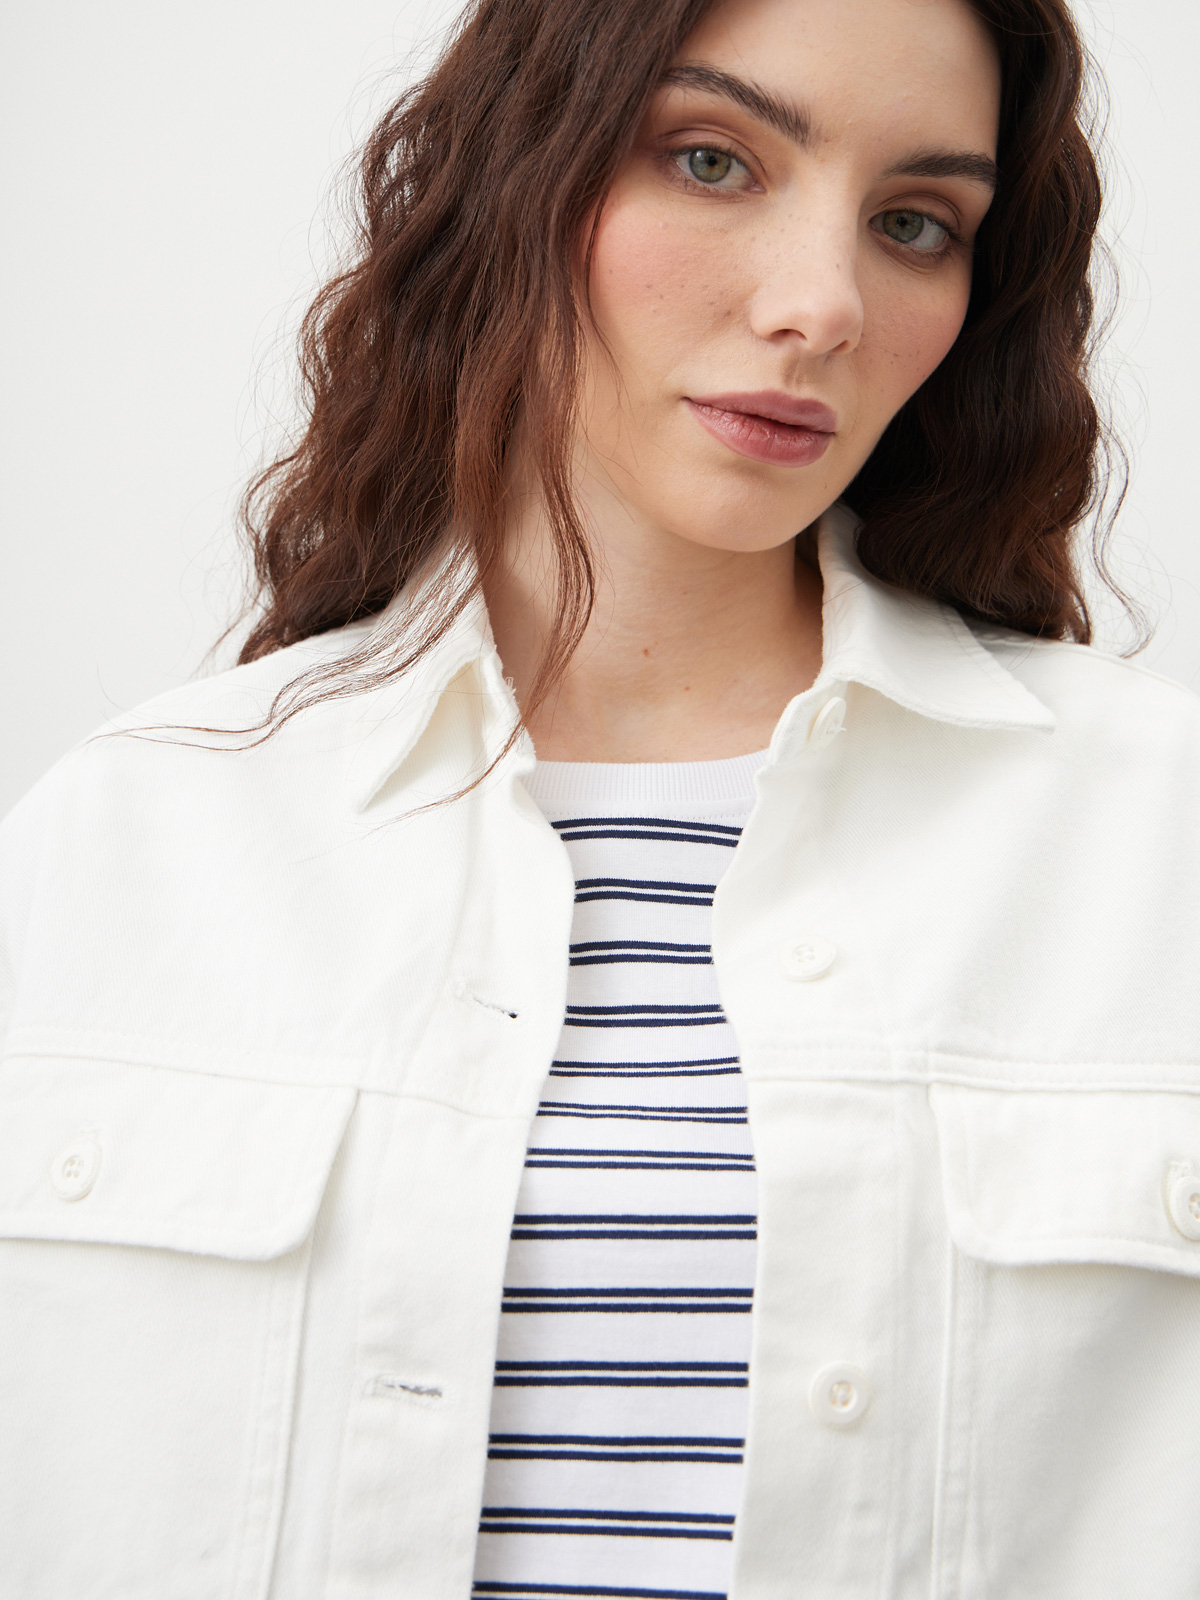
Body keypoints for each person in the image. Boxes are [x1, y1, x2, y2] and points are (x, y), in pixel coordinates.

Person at [2, 0, 1198, 1594]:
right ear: (517, 173)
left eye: (917, 223)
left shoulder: (1157, 841)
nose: (822, 305)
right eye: (712, 160)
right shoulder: (134, 840)